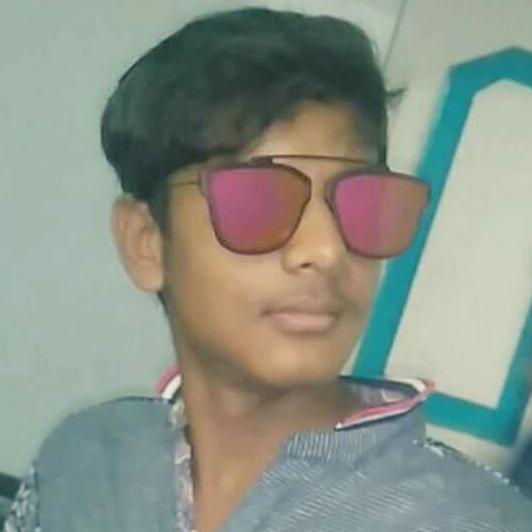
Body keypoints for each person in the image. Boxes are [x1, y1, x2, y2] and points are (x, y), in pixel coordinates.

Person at [4, 7, 532, 532]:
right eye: (258, 201)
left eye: (362, 202)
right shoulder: (86, 462)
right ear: (146, 243)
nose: (326, 249)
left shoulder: (467, 520)